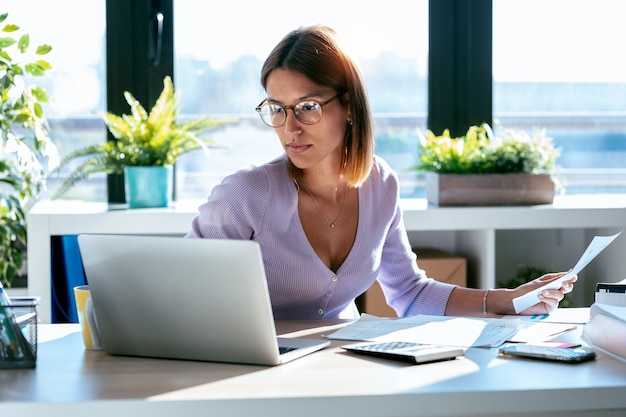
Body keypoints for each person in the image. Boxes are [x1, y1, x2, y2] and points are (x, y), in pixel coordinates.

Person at [186, 25, 576, 320]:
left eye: (308, 106)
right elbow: (179, 293)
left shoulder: (380, 184)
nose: (290, 128)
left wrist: (506, 300)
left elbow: (409, 292)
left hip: (342, 370)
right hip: (251, 376)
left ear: (350, 106)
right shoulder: (246, 194)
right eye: (277, 109)